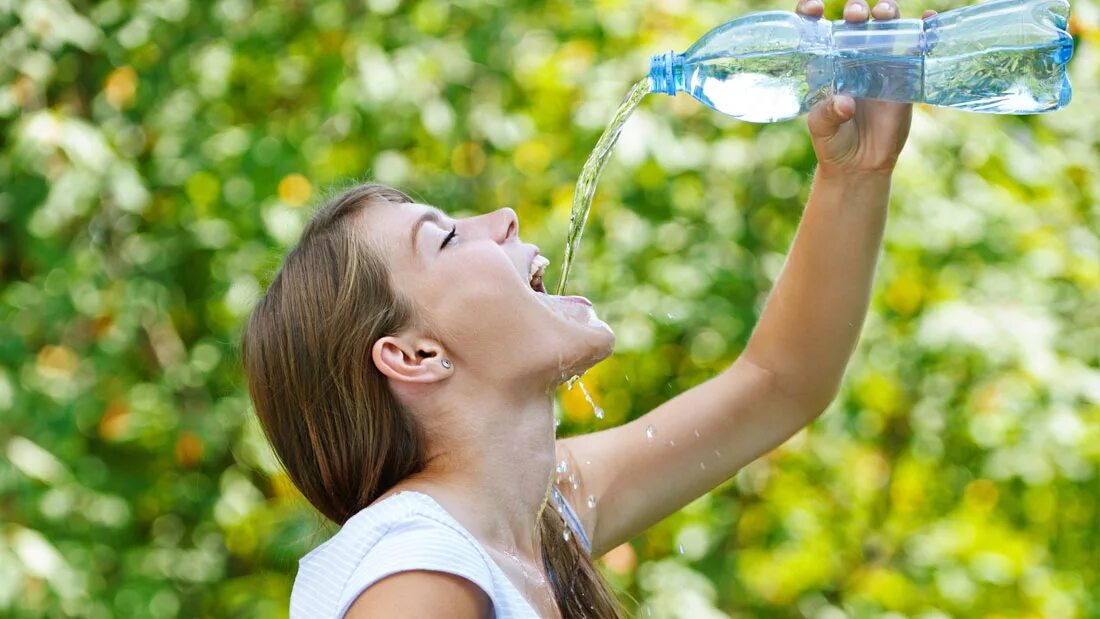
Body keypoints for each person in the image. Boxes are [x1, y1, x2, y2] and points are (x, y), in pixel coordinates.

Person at [241, 1, 939, 616]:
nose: (504, 217)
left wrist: (854, 174)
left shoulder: (539, 517)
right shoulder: (417, 566)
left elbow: (781, 383)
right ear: (416, 354)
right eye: (447, 236)